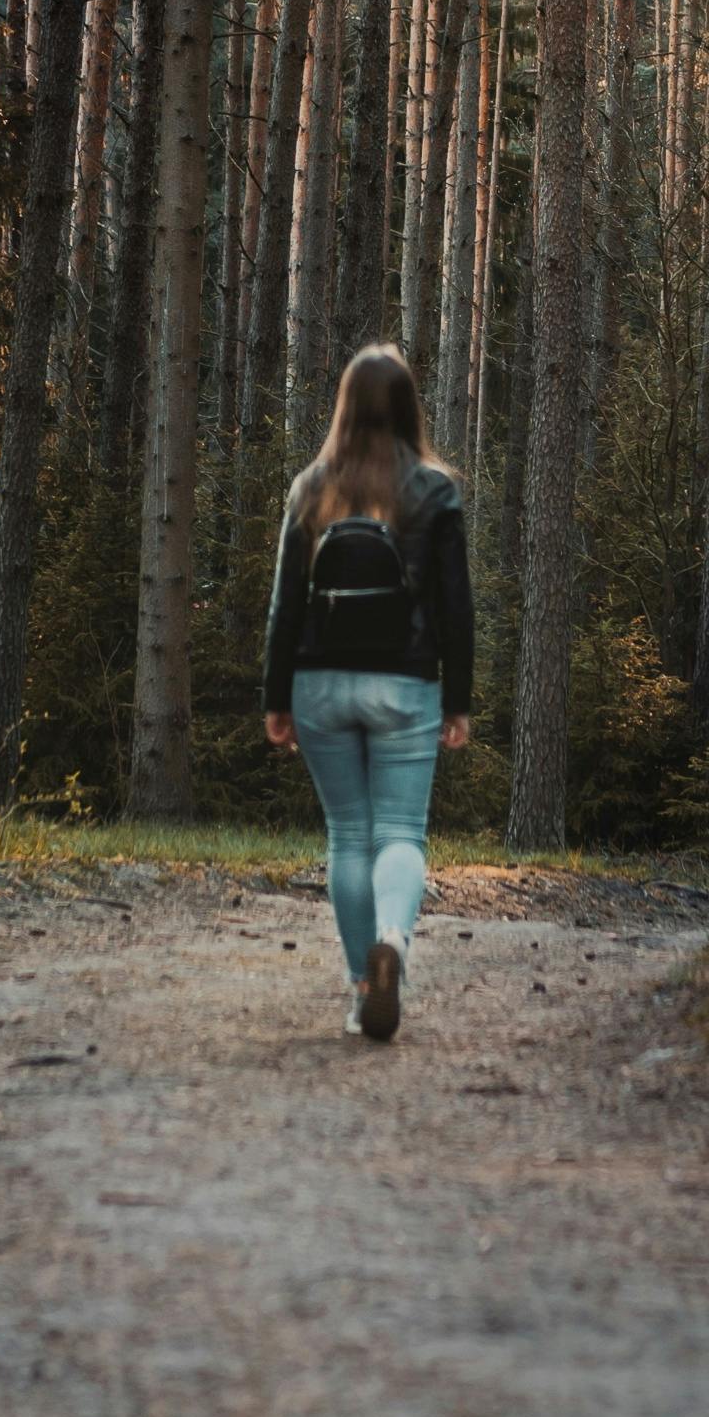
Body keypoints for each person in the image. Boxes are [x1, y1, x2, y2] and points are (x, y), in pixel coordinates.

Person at [262, 342, 473, 1042]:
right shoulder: (434, 490)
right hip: (405, 683)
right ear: (409, 406)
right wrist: (458, 700)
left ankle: (362, 989)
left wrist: (276, 698)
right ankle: (393, 940)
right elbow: (454, 605)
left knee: (348, 835)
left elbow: (284, 605)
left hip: (318, 682)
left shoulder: (310, 488)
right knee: (400, 833)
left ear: (344, 407)